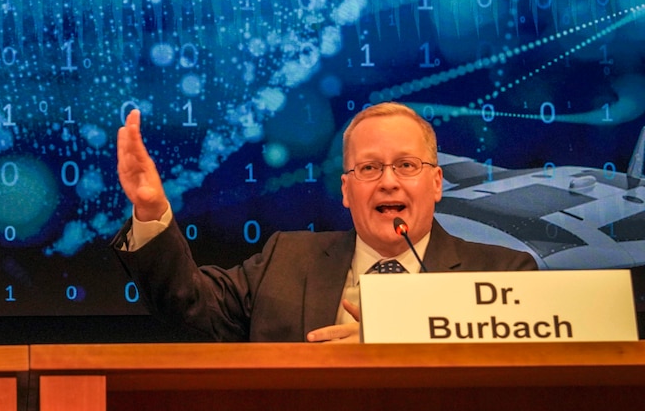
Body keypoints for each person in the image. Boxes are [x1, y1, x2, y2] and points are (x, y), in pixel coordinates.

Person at [112, 102, 537, 343]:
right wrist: (151, 211)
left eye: (406, 165)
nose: (388, 182)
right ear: (346, 191)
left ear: (437, 182)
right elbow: (186, 305)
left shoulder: (503, 275)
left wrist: (390, 342)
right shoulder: (287, 261)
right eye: (369, 168)